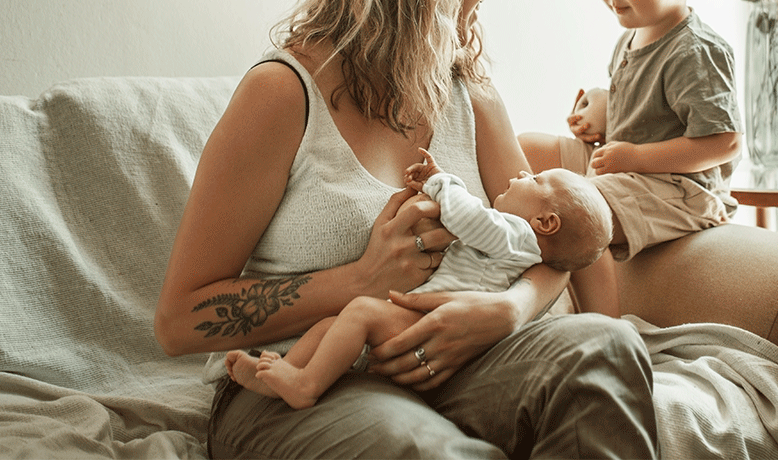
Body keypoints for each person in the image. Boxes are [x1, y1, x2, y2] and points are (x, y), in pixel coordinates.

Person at [153, 0, 657, 459]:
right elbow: (180, 320)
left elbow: (553, 242)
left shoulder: (471, 88)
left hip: (464, 364)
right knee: (425, 451)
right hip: (308, 379)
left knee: (609, 347)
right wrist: (361, 281)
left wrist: (507, 309)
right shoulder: (283, 94)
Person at [223, 148, 613, 410]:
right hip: (427, 324)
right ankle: (290, 373)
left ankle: (306, 386)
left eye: (538, 179)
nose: (525, 172)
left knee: (358, 312)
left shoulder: (517, 235)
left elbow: (467, 218)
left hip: (429, 327)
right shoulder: (522, 242)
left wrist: (441, 180)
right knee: (332, 325)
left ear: (545, 223)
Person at [519, 0, 743, 318]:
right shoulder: (631, 38)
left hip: (682, 188)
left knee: (581, 205)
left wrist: (636, 156)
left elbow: (723, 142)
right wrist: (601, 111)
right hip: (625, 164)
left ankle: (603, 323)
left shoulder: (694, 51)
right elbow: (646, 108)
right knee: (526, 147)